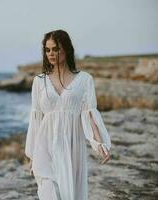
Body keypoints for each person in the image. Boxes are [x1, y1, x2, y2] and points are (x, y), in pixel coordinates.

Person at [24, 29, 111, 200]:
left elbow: (89, 114)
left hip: (71, 146)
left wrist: (100, 143)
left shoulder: (85, 80)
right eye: (47, 50)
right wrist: (32, 156)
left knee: (68, 193)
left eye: (55, 49)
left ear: (67, 49)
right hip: (45, 146)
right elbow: (36, 120)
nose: (51, 54)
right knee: (48, 191)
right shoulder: (39, 81)